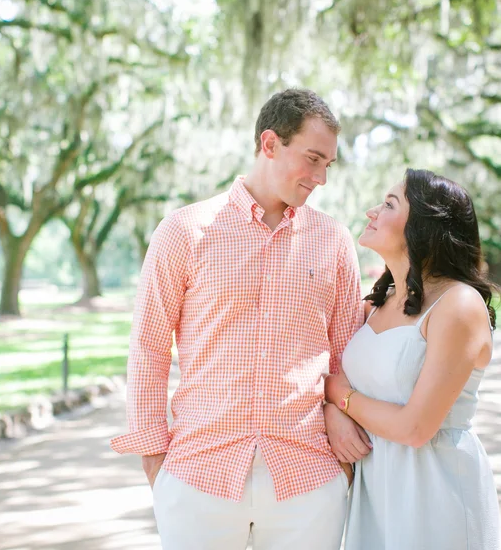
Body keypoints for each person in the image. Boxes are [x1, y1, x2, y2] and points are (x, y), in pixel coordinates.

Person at [110, 88, 370, 549]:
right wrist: (155, 462)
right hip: (198, 477)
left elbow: (346, 353)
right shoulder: (183, 231)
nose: (321, 178)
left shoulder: (333, 241)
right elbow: (148, 347)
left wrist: (341, 456)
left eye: (328, 164)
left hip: (308, 479)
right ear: (270, 144)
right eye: (313, 159)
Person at [325, 168, 501, 549]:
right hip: (377, 490)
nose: (372, 211)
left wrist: (339, 396)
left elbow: (415, 428)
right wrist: (332, 409)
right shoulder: (375, 305)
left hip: (436, 492)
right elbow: (329, 372)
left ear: (424, 228)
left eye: (390, 204)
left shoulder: (458, 305)